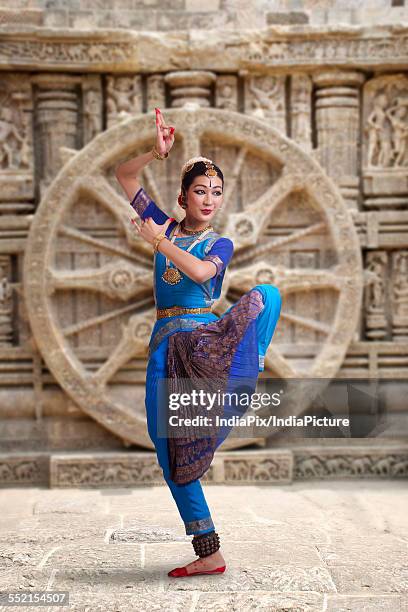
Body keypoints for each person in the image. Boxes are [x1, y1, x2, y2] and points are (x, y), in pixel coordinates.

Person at [115, 107, 282, 578]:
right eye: (200, 191)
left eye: (216, 193)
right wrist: (155, 151)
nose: (209, 200)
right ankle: (208, 549)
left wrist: (158, 244)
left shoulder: (217, 244)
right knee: (167, 449)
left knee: (267, 294)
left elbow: (205, 274)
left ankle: (251, 358)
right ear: (183, 196)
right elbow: (122, 174)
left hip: (203, 347)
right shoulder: (165, 226)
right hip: (164, 351)